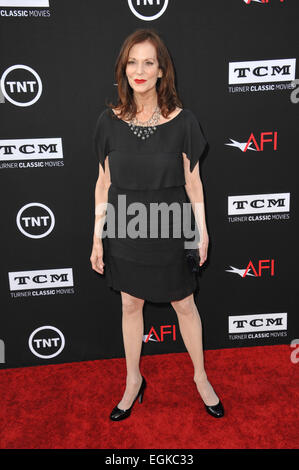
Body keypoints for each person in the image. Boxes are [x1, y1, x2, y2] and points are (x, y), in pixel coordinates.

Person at [90, 28, 224, 420]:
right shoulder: (107, 122)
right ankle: (133, 380)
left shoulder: (184, 122)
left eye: (149, 61)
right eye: (132, 62)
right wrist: (97, 237)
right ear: (123, 69)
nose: (140, 70)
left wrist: (202, 230)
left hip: (170, 226)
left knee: (185, 304)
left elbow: (194, 183)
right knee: (130, 304)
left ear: (162, 70)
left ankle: (200, 377)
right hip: (126, 228)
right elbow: (103, 184)